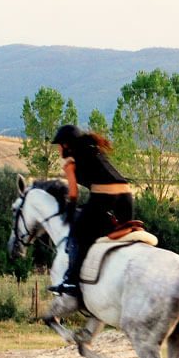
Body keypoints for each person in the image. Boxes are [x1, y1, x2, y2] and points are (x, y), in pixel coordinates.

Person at [48, 124, 133, 296]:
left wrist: (70, 213)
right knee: (119, 234)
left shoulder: (71, 163)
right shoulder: (95, 150)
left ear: (66, 145)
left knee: (77, 235)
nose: (58, 149)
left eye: (59, 145)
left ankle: (72, 281)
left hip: (105, 196)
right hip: (127, 198)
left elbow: (73, 194)